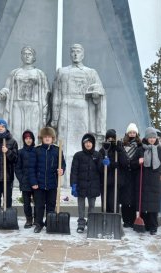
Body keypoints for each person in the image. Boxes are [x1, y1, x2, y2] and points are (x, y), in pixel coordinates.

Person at [51, 44, 106, 184]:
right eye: (73, 51)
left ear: (83, 54)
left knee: (81, 142)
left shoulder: (91, 72)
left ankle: (78, 179)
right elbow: (56, 95)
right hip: (65, 107)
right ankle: (63, 180)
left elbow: (100, 91)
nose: (75, 54)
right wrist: (55, 117)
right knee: (63, 143)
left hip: (82, 108)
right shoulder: (62, 72)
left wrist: (96, 94)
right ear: (70, 54)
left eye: (78, 51)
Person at [0, 46, 50, 145]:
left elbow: (46, 94)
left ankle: (32, 152)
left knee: (33, 130)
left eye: (29, 54)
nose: (27, 56)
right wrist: (1, 95)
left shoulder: (40, 74)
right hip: (17, 104)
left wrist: (45, 114)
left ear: (34, 57)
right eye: (24, 54)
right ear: (21, 56)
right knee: (16, 130)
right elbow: (7, 88)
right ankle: (17, 152)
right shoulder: (14, 73)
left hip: (34, 105)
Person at [29, 127, 66, 233]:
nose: (47, 139)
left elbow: (62, 163)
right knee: (39, 206)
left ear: (52, 138)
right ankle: (39, 224)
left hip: (52, 183)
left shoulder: (57, 150)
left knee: (51, 205)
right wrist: (33, 182)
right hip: (39, 184)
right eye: (45, 137)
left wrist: (61, 170)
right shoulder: (36, 150)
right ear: (42, 138)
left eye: (49, 137)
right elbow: (31, 168)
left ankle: (49, 223)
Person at [136, 127, 161, 235]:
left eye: (154, 137)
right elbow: (133, 163)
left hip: (155, 179)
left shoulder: (159, 149)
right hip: (144, 179)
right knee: (144, 204)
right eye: (150, 137)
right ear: (146, 138)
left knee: (154, 204)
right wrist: (138, 161)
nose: (152, 139)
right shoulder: (141, 149)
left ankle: (153, 226)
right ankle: (144, 224)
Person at [70, 133, 102, 233]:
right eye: (86, 142)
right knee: (81, 206)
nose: (88, 144)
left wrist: (105, 164)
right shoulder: (78, 155)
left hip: (93, 185)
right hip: (81, 185)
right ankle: (81, 223)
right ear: (83, 144)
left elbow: (100, 170)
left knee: (92, 206)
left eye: (90, 142)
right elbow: (74, 171)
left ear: (93, 143)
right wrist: (73, 185)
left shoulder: (97, 155)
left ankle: (91, 222)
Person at [98, 129, 127, 213]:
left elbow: (125, 163)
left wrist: (120, 150)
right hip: (105, 182)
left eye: (112, 138)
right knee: (105, 203)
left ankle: (114, 220)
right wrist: (109, 165)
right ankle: (105, 221)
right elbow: (99, 168)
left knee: (113, 203)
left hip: (115, 181)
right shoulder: (102, 150)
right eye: (108, 138)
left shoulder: (119, 149)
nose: (110, 140)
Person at [120, 123, 143, 227]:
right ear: (127, 133)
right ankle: (126, 220)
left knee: (133, 199)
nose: (132, 134)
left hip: (134, 175)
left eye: (134, 132)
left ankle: (133, 219)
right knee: (125, 199)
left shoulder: (139, 145)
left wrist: (135, 163)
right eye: (130, 132)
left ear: (136, 133)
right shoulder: (122, 145)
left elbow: (139, 160)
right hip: (125, 175)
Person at [15, 130, 36, 228]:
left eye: (30, 138)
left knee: (38, 202)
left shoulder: (36, 151)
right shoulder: (20, 152)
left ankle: (37, 219)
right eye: (26, 138)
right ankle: (29, 219)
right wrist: (21, 179)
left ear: (33, 139)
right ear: (24, 140)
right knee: (26, 203)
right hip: (25, 182)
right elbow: (17, 168)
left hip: (36, 182)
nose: (28, 140)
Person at [0, 118, 18, 208]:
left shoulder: (12, 142)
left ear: (5, 128)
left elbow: (15, 159)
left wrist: (8, 151)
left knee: (8, 201)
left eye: (2, 127)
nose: (0, 128)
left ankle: (7, 219)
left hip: (7, 177)